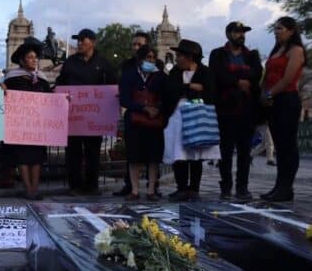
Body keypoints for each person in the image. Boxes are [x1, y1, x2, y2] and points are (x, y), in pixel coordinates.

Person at [56, 28, 117, 194]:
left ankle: (92, 185)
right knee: (73, 153)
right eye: (78, 40)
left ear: (93, 42)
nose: (80, 43)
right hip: (74, 116)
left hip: (94, 119)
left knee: (93, 152)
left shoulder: (103, 63)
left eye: (84, 40)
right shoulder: (70, 62)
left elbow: (112, 86)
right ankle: (74, 185)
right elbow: (60, 83)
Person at [209, 21, 262, 200]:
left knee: (244, 152)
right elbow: (218, 74)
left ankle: (242, 187)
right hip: (225, 109)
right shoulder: (218, 54)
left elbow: (256, 73)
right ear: (229, 34)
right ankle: (226, 186)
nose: (241, 35)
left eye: (243, 32)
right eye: (237, 32)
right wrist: (238, 82)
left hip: (246, 109)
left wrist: (242, 80)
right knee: (225, 151)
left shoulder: (252, 55)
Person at [163, 39, 219, 201]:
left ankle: (194, 188)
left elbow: (210, 93)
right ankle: (181, 187)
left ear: (190, 57)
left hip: (198, 116)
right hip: (178, 116)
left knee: (196, 153)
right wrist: (190, 87)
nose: (177, 58)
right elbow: (171, 90)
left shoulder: (205, 72)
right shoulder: (175, 72)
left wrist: (189, 91)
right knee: (179, 151)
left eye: (180, 55)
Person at [260, 17, 306, 202]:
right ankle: (279, 185)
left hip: (287, 99)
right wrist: (264, 92)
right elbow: (267, 74)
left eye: (280, 29)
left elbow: (288, 78)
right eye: (275, 29)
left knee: (288, 145)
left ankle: (287, 186)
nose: (276, 32)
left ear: (291, 31)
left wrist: (269, 94)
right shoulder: (276, 50)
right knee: (279, 144)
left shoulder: (296, 50)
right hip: (273, 101)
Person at [1, 38, 52, 200]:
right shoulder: (12, 78)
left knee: (37, 158)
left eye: (35, 58)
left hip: (38, 125)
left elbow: (49, 98)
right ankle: (28, 189)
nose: (34, 60)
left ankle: (35, 190)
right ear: (22, 60)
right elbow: (6, 98)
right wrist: (2, 90)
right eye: (30, 57)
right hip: (21, 125)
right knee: (23, 157)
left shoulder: (42, 79)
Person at [114, 32, 164, 198]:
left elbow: (167, 96)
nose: (150, 60)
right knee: (134, 156)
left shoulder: (160, 76)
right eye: (147, 57)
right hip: (135, 120)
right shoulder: (129, 75)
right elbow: (124, 100)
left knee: (153, 156)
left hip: (154, 121)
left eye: (152, 57)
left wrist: (157, 108)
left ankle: (151, 190)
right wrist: (143, 107)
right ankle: (134, 190)